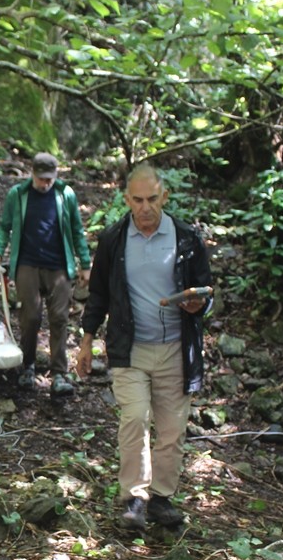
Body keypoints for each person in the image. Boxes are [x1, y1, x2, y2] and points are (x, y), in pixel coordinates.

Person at [77, 163, 214, 530]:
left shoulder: (187, 240)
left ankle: (162, 499)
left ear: (164, 197)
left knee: (171, 429)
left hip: (175, 348)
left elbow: (207, 290)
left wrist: (199, 304)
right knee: (135, 418)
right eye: (137, 200)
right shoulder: (113, 240)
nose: (145, 207)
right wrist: (87, 340)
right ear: (126, 199)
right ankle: (135, 497)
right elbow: (99, 294)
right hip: (130, 347)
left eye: (152, 198)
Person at [0, 152, 91, 397]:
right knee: (30, 317)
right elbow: (4, 227)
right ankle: (28, 367)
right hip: (27, 264)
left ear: (56, 175)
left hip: (58, 266)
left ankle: (59, 374)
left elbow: (77, 230)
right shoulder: (18, 195)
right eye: (41, 179)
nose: (45, 184)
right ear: (32, 173)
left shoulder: (65, 195)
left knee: (59, 318)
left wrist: (85, 263)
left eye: (49, 179)